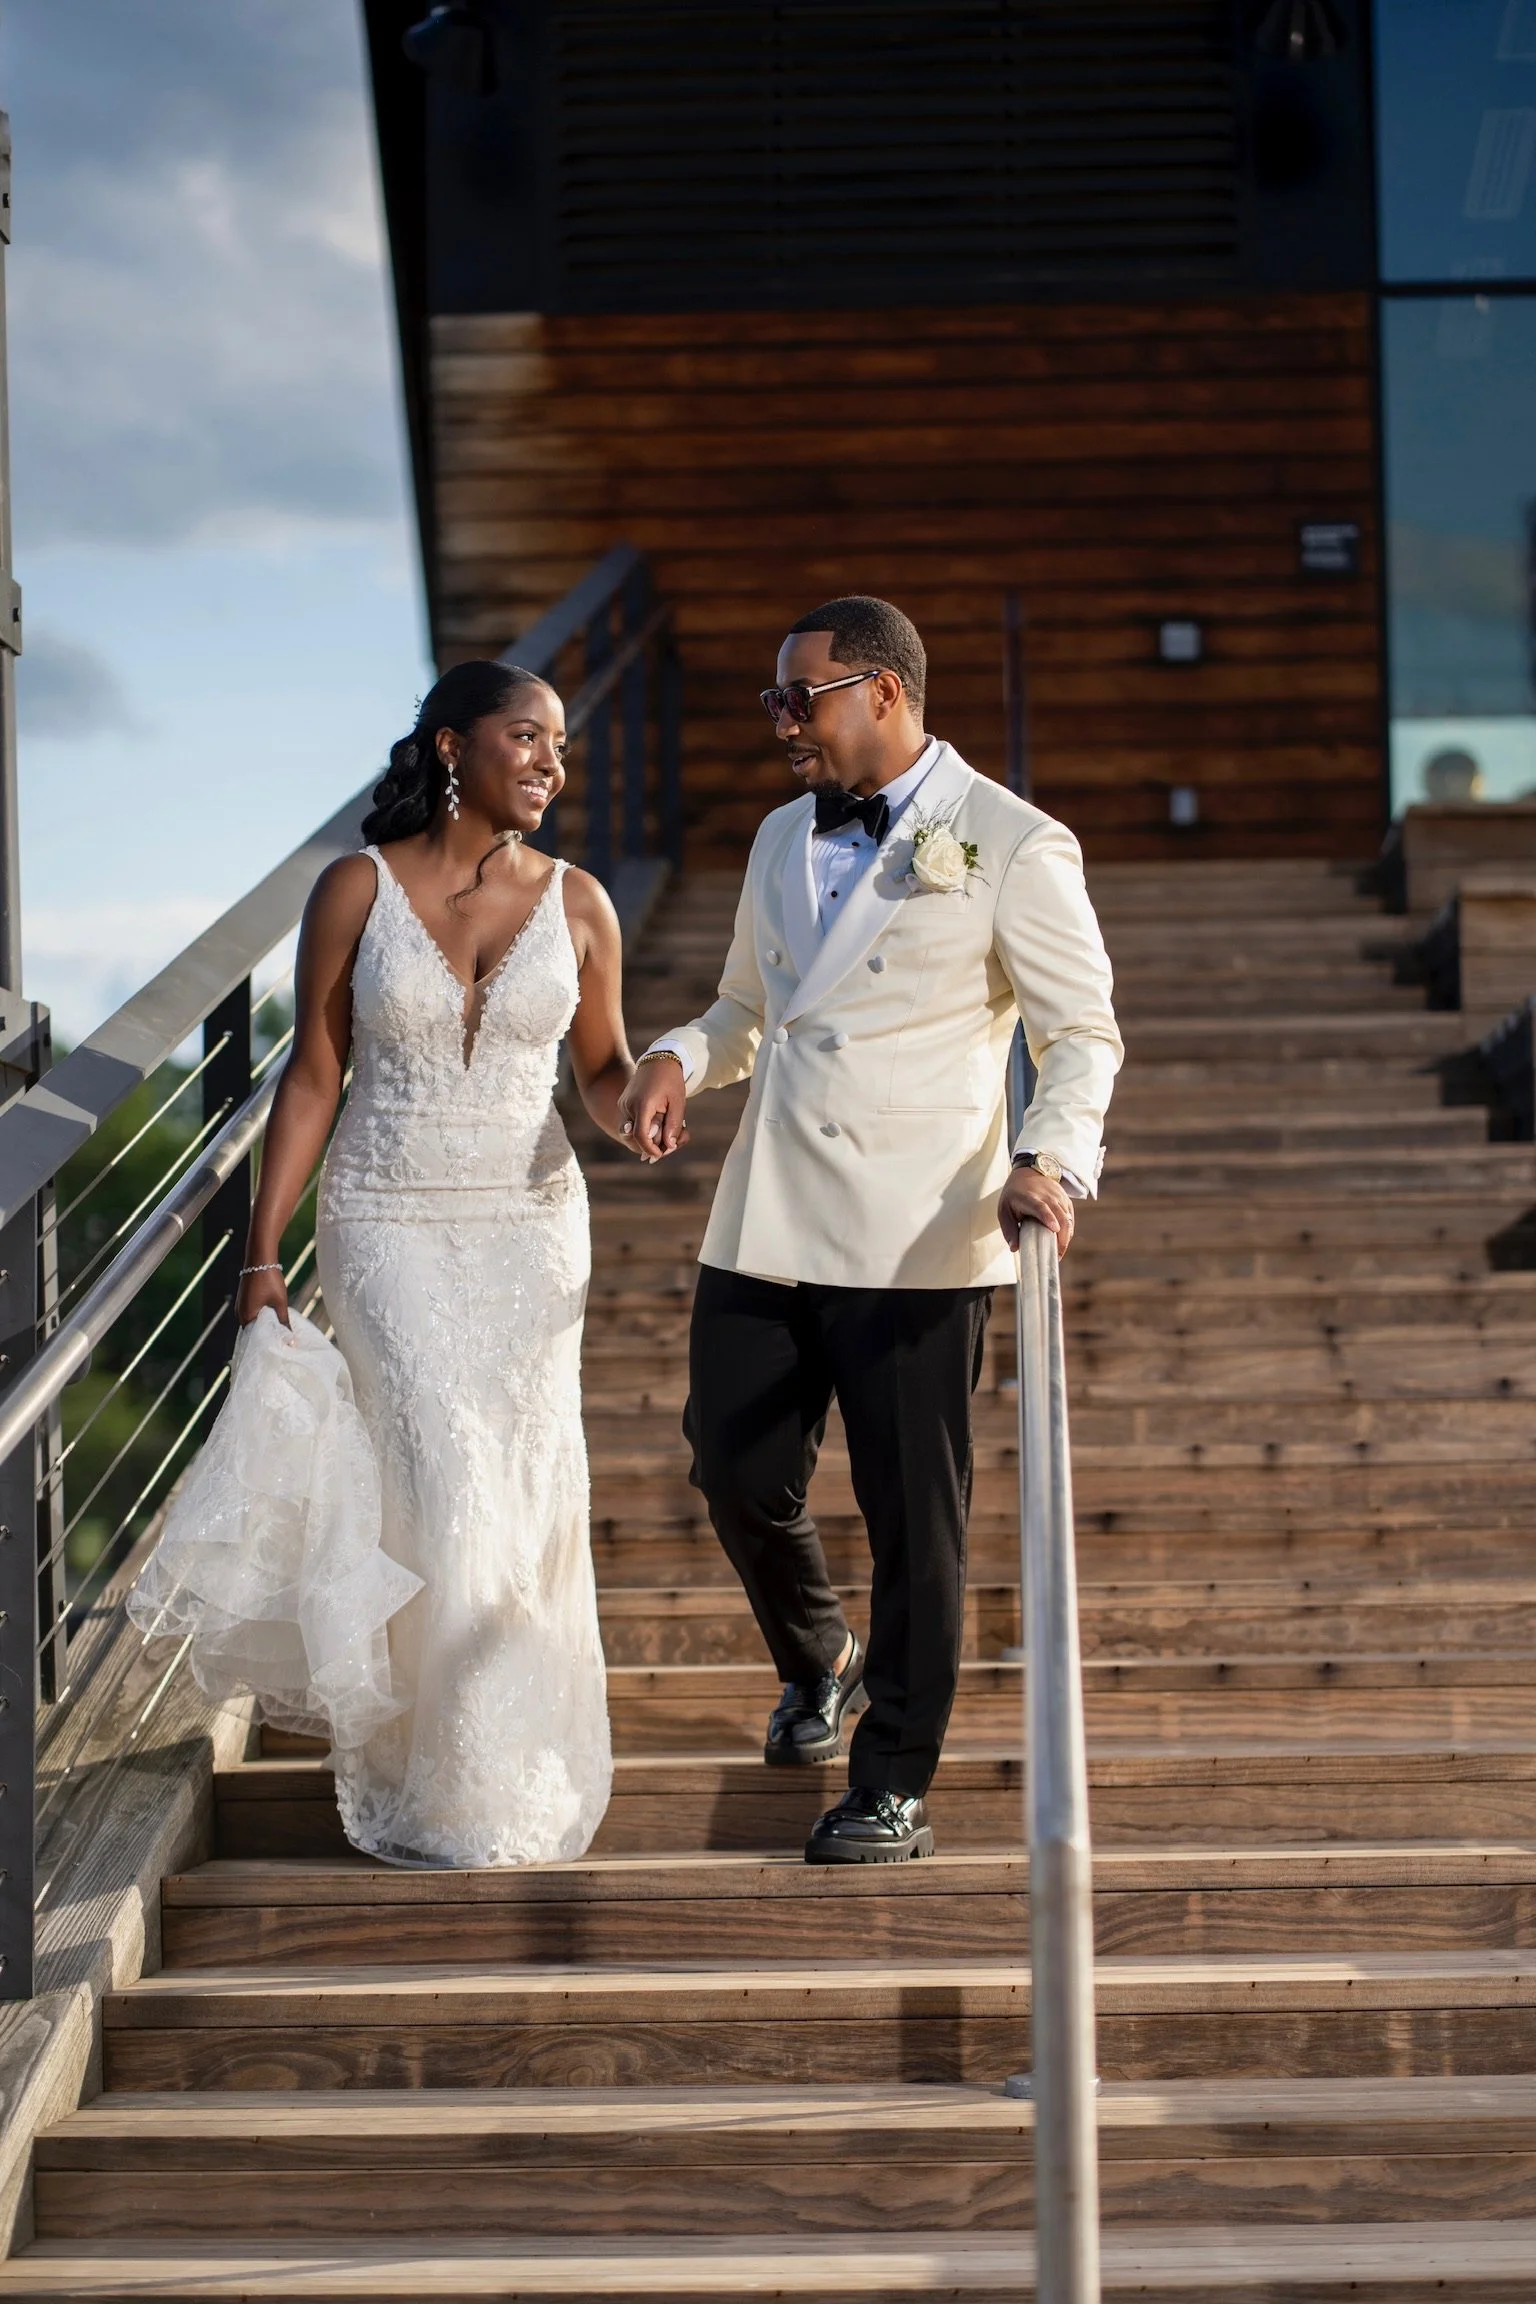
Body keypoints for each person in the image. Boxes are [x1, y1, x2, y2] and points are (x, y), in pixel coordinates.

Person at [620, 597, 1121, 1864]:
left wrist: (1045, 1160)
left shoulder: (1012, 841)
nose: (783, 722)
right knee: (732, 1467)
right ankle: (818, 1652)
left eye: (804, 696)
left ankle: (893, 1781)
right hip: (770, 1214)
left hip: (919, 1232)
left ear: (885, 692)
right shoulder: (781, 835)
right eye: (773, 699)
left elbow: (1083, 1040)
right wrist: (681, 1051)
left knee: (917, 1522)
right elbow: (748, 1003)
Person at [237, 659, 638, 1867]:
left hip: (528, 1223)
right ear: (454, 746)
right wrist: (261, 1254)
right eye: (528, 737)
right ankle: (451, 1782)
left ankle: (507, 1768)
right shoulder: (353, 888)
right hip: (385, 1213)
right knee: (442, 1475)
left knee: (518, 1487)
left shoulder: (582, 902)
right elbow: (314, 1073)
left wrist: (647, 1102)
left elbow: (604, 1072)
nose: (551, 763)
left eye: (561, 745)